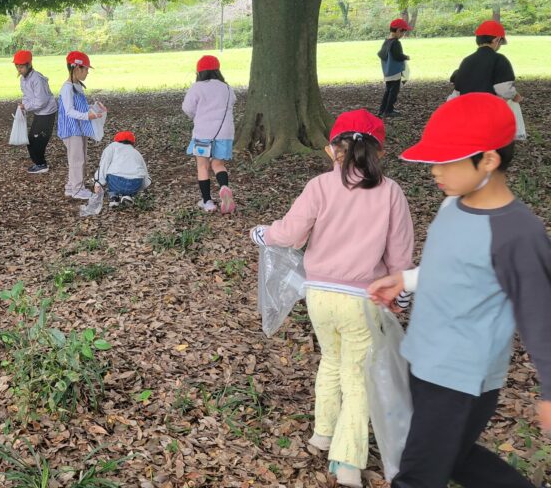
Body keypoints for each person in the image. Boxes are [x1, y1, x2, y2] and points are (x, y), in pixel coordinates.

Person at [368, 93, 551, 488]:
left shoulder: (517, 233)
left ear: (488, 159)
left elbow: (541, 318)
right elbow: (451, 266)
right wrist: (407, 280)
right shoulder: (452, 205)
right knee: (455, 457)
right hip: (423, 359)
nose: (435, 170)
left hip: (460, 377)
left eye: (446, 160)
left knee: (416, 475)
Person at [250, 110, 414, 488]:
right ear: (379, 153)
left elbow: (290, 233)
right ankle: (348, 461)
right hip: (363, 298)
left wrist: (262, 234)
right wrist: (399, 300)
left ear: (331, 150)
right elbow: (401, 258)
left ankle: (322, 433)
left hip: (319, 295)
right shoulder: (390, 193)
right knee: (358, 376)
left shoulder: (319, 187)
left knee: (332, 360)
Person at [448, 20, 526, 140]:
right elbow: (504, 89)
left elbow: (458, 90)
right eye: (500, 42)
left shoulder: (467, 61)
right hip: (490, 115)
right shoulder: (500, 60)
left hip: (469, 114)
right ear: (496, 40)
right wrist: (515, 96)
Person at [181, 55, 237, 213]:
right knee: (218, 164)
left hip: (203, 133)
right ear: (217, 70)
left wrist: (197, 116)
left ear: (199, 72)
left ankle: (207, 202)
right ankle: (225, 188)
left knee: (203, 166)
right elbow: (233, 101)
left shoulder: (197, 87)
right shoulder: (226, 87)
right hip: (224, 133)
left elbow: (187, 108)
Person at [57, 51, 104, 200]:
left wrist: (94, 107)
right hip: (71, 130)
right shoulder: (67, 88)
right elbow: (70, 111)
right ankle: (78, 189)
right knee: (77, 159)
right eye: (86, 69)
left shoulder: (77, 86)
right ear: (76, 69)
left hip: (79, 128)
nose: (87, 72)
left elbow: (80, 106)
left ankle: (71, 186)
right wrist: (87, 116)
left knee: (80, 156)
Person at [13, 50, 58, 174]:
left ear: (29, 64)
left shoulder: (37, 79)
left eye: (21, 66)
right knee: (31, 139)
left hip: (47, 112)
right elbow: (26, 95)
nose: (19, 69)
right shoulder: (23, 79)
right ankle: (39, 163)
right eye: (17, 66)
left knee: (38, 139)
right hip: (39, 112)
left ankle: (42, 164)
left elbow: (41, 101)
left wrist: (26, 106)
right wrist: (23, 105)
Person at [94, 131, 151, 208]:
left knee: (112, 171)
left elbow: (104, 164)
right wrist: (141, 187)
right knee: (132, 176)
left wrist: (98, 183)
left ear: (116, 139)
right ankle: (128, 196)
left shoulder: (112, 147)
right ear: (132, 142)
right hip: (135, 183)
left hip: (116, 182)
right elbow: (144, 172)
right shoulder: (136, 152)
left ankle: (114, 198)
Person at [377, 18, 412, 118]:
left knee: (388, 91)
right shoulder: (396, 43)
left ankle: (382, 110)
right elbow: (398, 56)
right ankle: (389, 110)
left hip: (387, 72)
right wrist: (406, 57)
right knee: (394, 92)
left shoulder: (386, 41)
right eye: (403, 32)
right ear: (398, 30)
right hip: (395, 71)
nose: (403, 35)